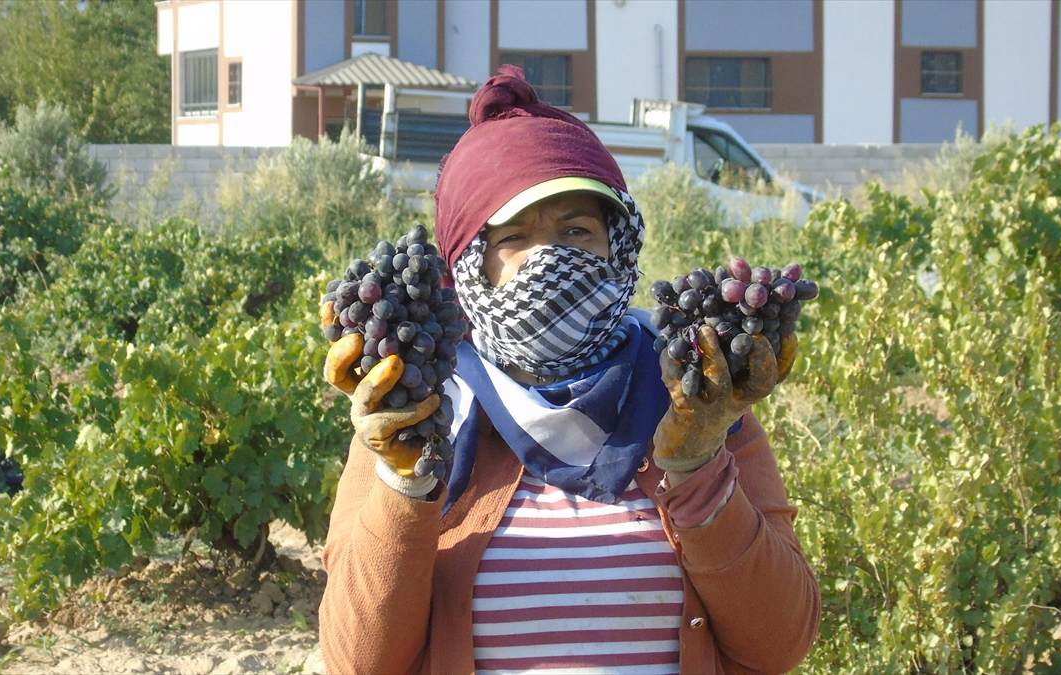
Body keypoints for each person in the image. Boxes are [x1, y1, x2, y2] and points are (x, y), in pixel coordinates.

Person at [318, 66, 820, 675]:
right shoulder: (416, 417)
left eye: (577, 230)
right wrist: (404, 487)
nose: (548, 258)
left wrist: (696, 468)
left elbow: (780, 643)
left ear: (617, 245)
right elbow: (358, 661)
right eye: (515, 238)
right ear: (471, 265)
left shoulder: (700, 402)